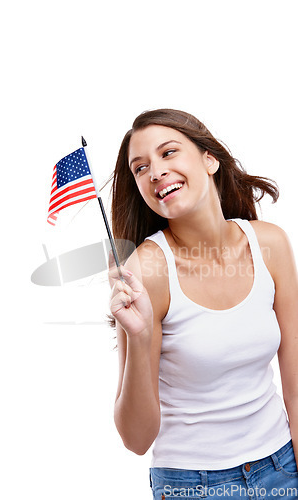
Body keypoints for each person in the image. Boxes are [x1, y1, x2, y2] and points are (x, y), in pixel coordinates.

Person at [108, 109, 298, 499]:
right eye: (140, 168)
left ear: (209, 159)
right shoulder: (146, 271)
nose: (156, 172)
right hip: (193, 484)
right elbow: (137, 439)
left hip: (282, 466)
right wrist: (139, 337)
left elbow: (296, 387)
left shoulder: (270, 245)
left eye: (169, 153)